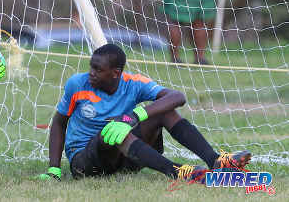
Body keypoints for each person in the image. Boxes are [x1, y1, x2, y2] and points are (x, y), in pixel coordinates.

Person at [39, 44, 250, 182]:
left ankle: (215, 161)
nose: (91, 73)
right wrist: (54, 169)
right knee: (112, 130)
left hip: (124, 160)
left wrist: (134, 116)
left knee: (162, 112)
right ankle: (179, 172)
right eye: (90, 67)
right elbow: (59, 123)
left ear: (116, 74)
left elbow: (177, 97)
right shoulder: (77, 84)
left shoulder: (133, 84)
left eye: (97, 69)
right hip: (85, 163)